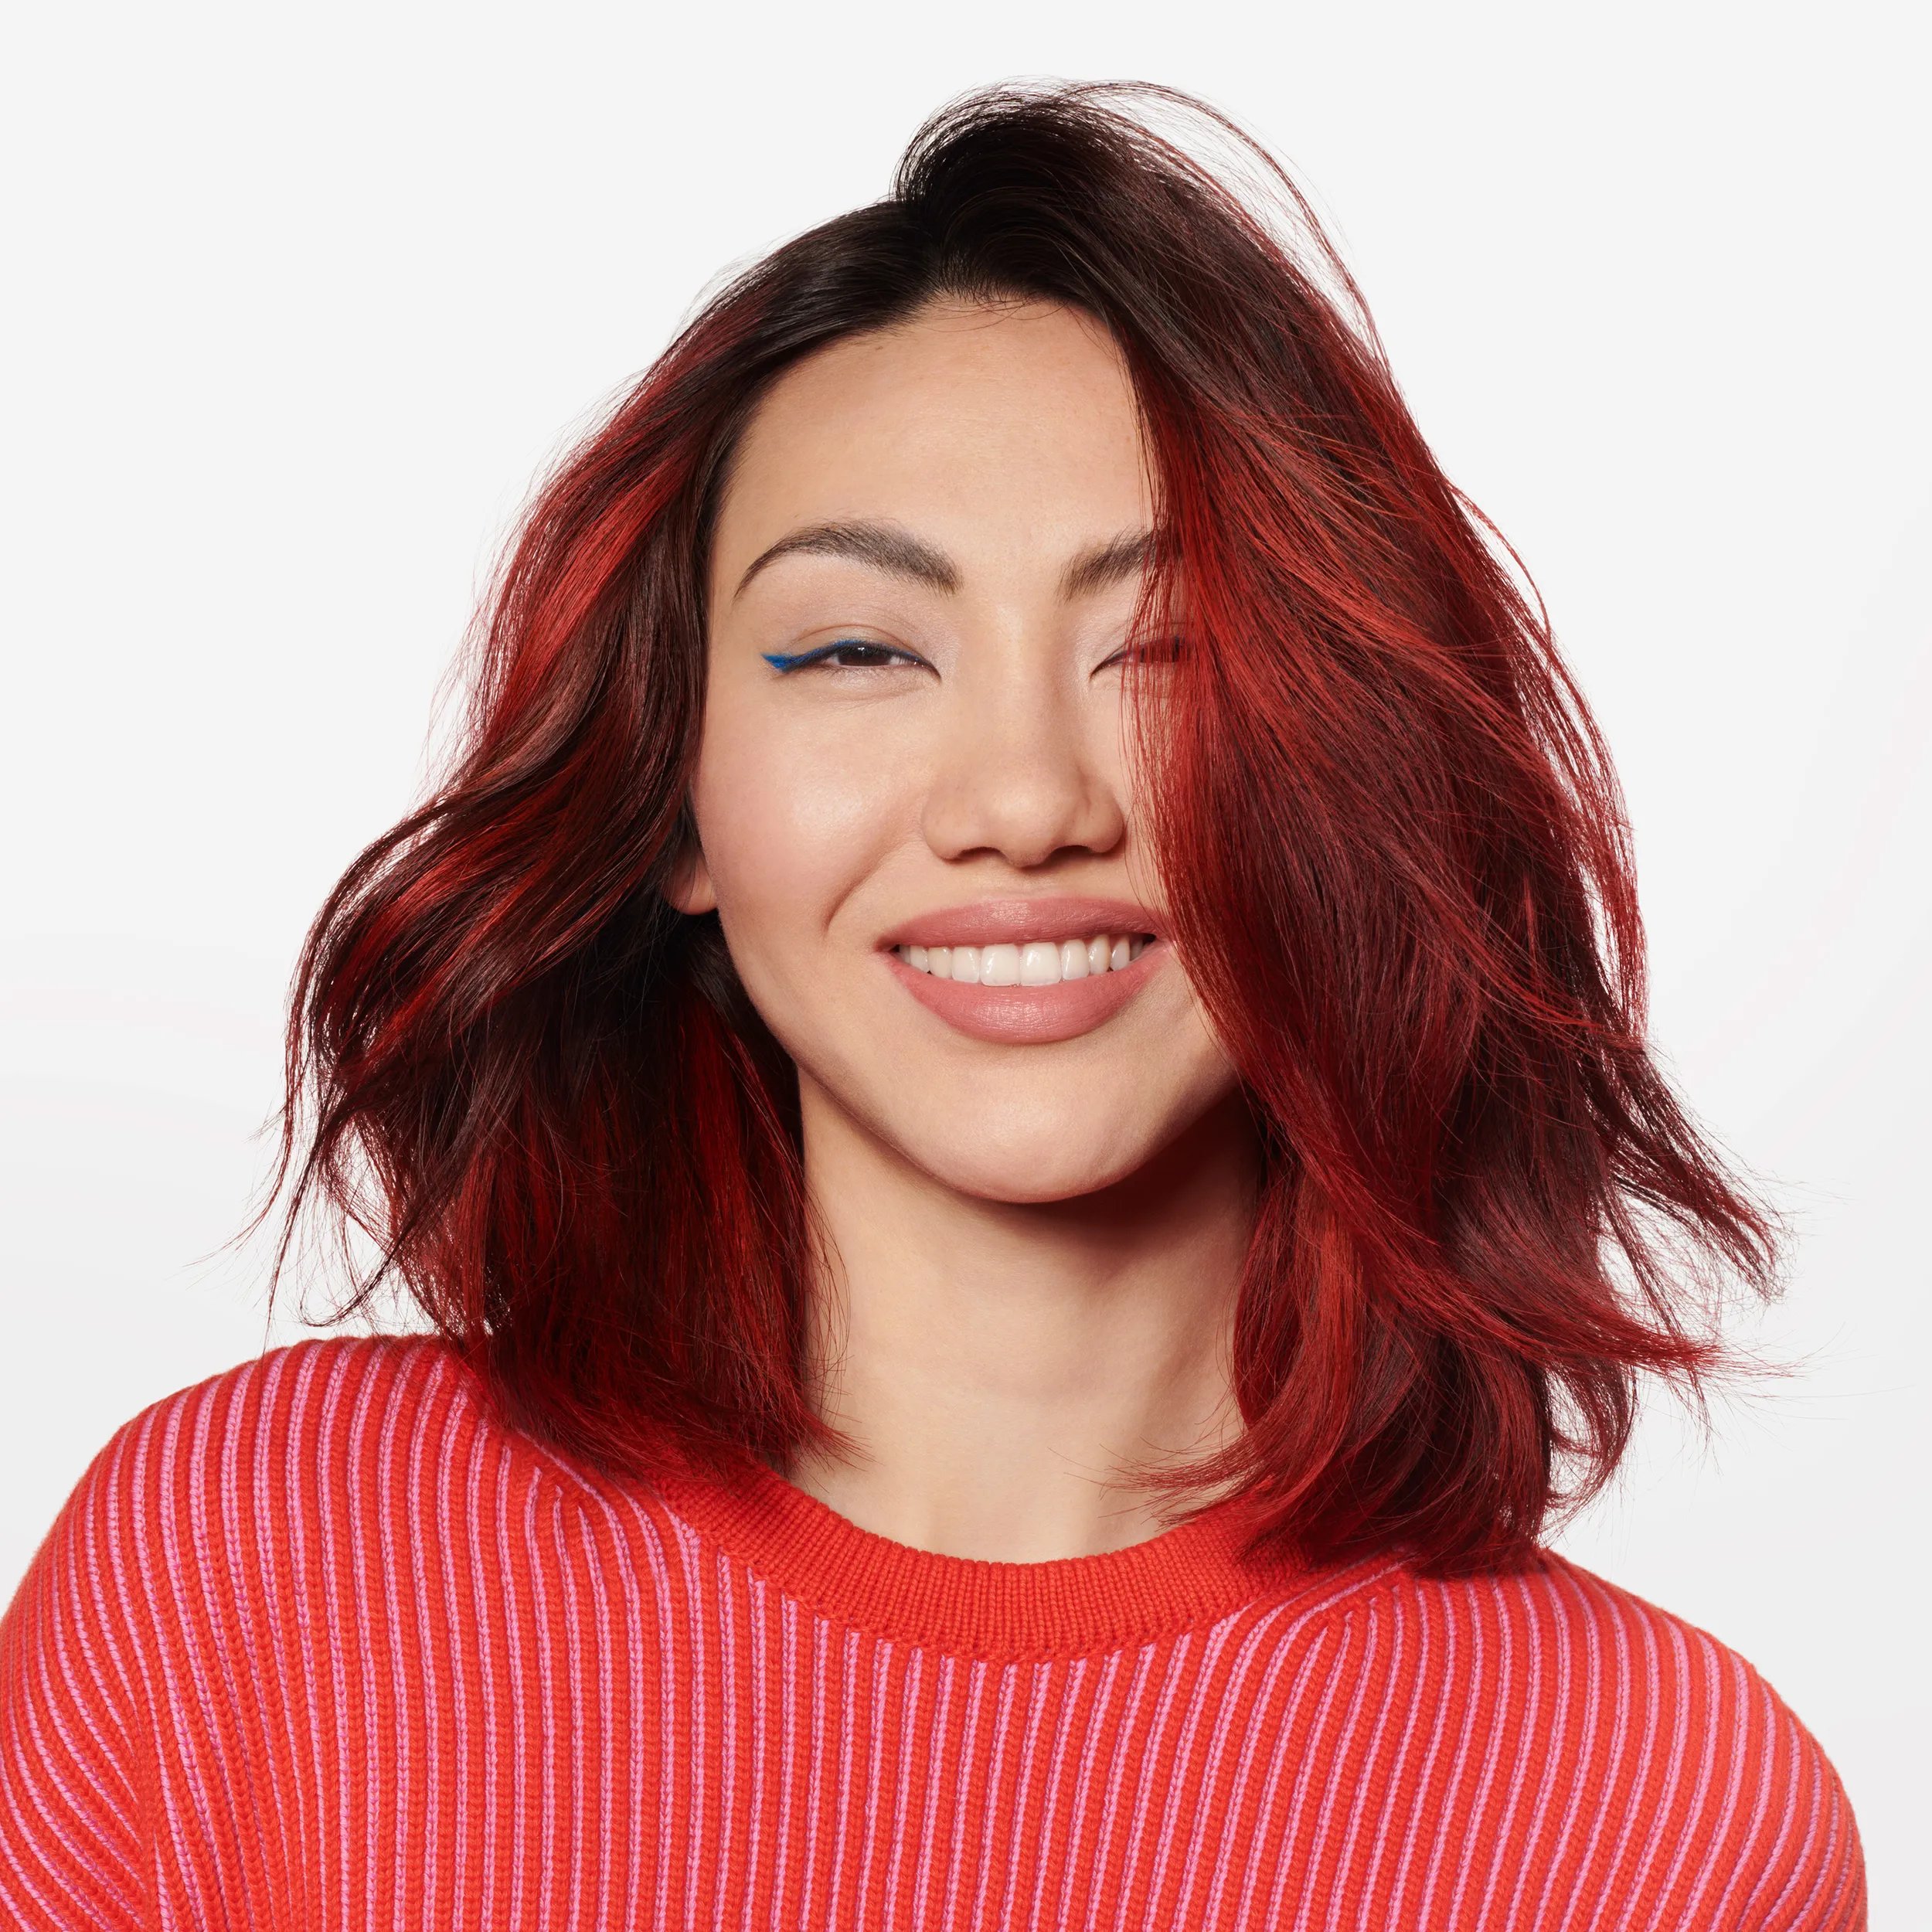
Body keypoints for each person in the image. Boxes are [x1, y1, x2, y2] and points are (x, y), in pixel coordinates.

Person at [0, 80, 1864, 1929]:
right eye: (858, 649)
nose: (1024, 801)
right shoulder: (245, 1561)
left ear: (1347, 769)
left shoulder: (1657, 1813)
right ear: (676, 799)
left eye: (1171, 648)